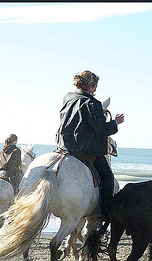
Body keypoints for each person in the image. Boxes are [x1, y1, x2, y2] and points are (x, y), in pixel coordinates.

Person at [56, 70, 124, 223]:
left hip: (64, 146)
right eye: (94, 85)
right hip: (84, 150)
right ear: (90, 85)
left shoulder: (68, 98)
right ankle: (105, 215)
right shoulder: (92, 103)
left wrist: (100, 112)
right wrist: (115, 123)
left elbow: (81, 117)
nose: (96, 88)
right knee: (108, 178)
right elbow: (102, 129)